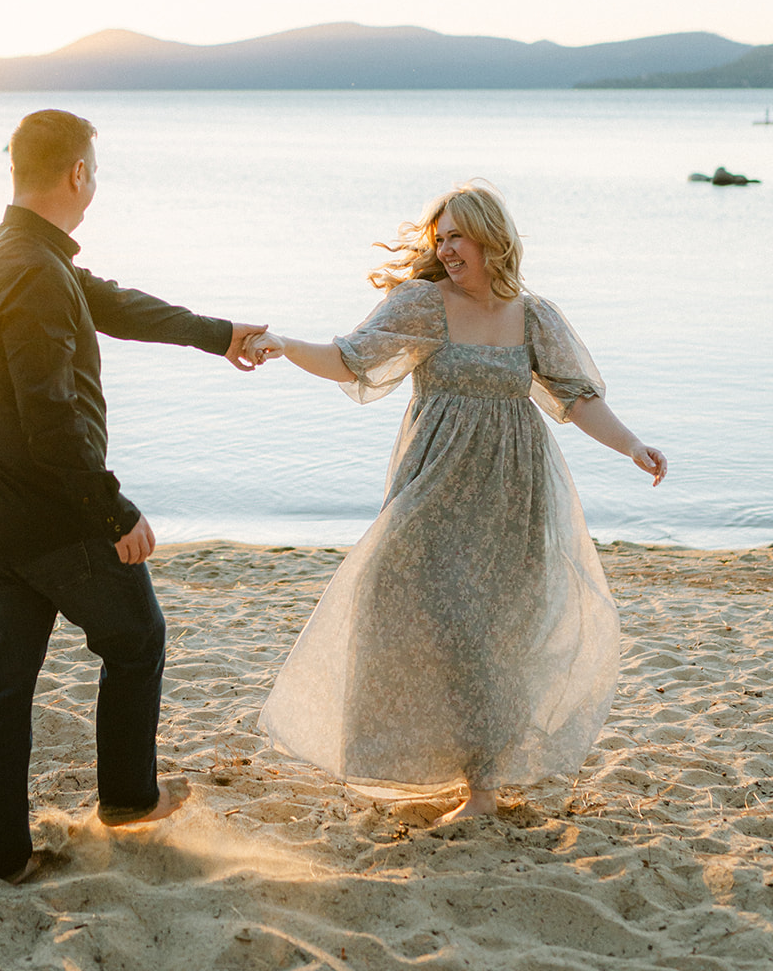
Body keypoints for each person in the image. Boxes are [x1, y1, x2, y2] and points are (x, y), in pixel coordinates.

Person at [246, 181, 667, 825]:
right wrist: (285, 345)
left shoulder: (534, 316)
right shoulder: (422, 305)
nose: (445, 249)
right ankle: (409, 757)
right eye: (438, 238)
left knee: (493, 633)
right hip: (432, 487)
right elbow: (350, 358)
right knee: (397, 596)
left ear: (492, 239)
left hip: (513, 492)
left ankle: (482, 788)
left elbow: (577, 398)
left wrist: (632, 445)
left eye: (457, 237)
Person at [0, 109, 265, 881]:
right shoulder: (33, 271)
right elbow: (50, 418)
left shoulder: (11, 250)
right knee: (137, 638)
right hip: (50, 520)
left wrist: (217, 333)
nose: (96, 184)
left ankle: (4, 855)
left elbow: (108, 303)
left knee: (5, 684)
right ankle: (126, 800)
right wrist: (115, 511)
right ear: (78, 173)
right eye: (96, 170)